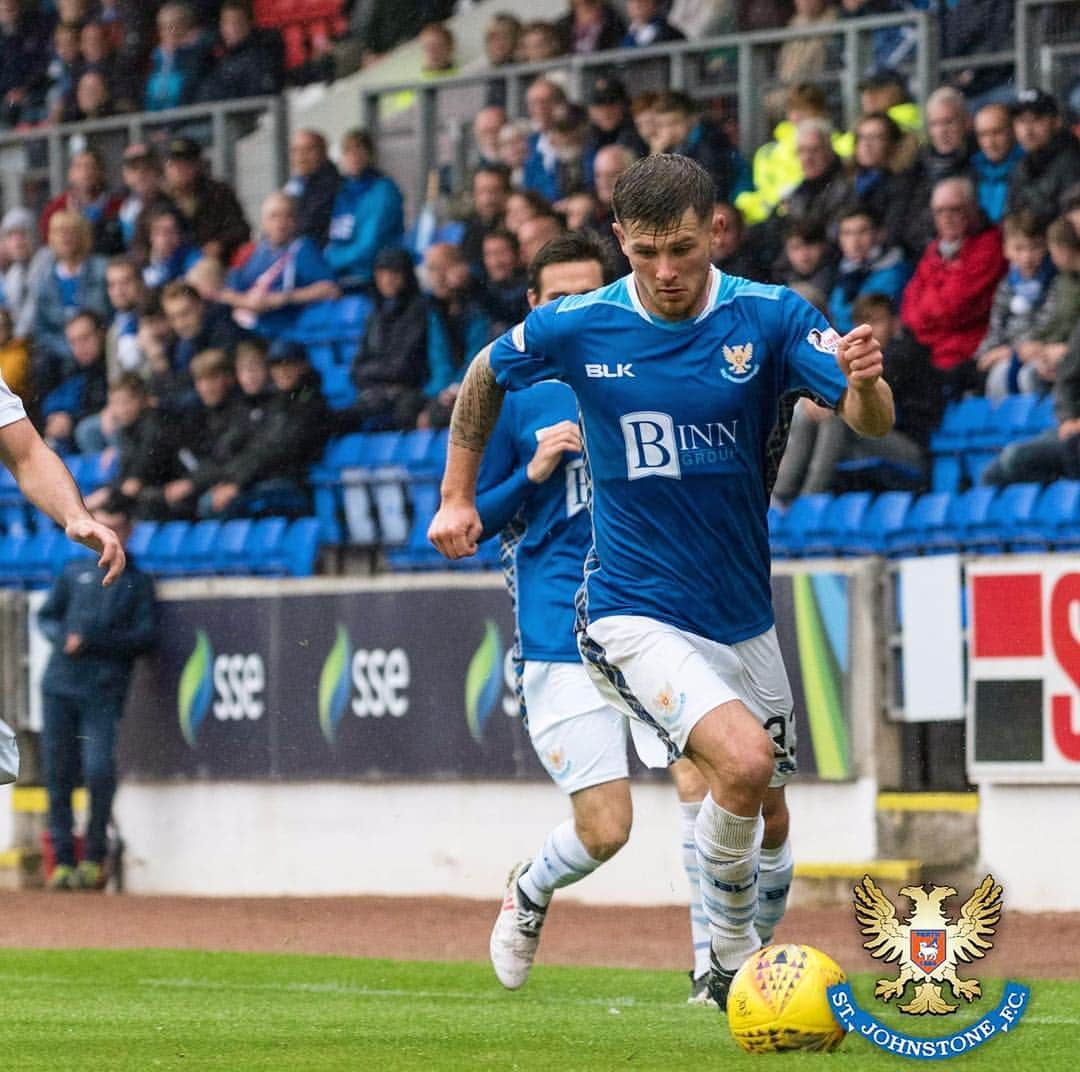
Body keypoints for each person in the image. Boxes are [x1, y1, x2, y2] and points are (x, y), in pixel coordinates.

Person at [427, 154, 893, 1011]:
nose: (666, 272)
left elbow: (867, 416)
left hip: (740, 614)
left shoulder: (771, 316)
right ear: (620, 242)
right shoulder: (579, 325)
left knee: (767, 810)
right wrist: (457, 495)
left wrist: (865, 383)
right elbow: (485, 373)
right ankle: (727, 961)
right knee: (734, 766)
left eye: (681, 248)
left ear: (715, 229)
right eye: (645, 253)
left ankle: (735, 951)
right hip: (627, 610)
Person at [477, 229, 720, 1003]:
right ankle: (531, 891)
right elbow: (468, 518)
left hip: (650, 606)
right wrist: (533, 469)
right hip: (558, 626)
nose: (576, 307)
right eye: (560, 297)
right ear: (534, 307)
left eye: (590, 291)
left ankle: (712, 967)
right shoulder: (510, 393)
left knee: (699, 774)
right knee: (606, 830)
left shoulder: (648, 366)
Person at [39, 498, 155, 891]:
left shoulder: (138, 581)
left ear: (128, 531)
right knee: (57, 775)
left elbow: (145, 637)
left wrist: (92, 641)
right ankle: (60, 862)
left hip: (103, 689)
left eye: (116, 526)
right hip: (59, 685)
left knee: (99, 772)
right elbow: (48, 616)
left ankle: (93, 856)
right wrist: (61, 639)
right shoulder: (74, 571)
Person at [900, 175, 1007, 398]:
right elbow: (909, 312)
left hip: (962, 354)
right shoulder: (934, 250)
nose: (946, 218)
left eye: (954, 210)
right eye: (939, 211)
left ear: (972, 209)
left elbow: (954, 308)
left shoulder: (989, 247)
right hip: (928, 350)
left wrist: (928, 310)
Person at [217, 192, 340, 336]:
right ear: (263, 221)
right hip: (248, 327)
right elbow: (227, 292)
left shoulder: (303, 249)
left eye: (287, 216)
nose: (281, 223)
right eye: (274, 216)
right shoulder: (253, 250)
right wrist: (248, 302)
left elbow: (331, 290)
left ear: (296, 220)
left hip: (286, 331)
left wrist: (283, 298)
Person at [338, 248, 429, 433]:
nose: (387, 280)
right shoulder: (375, 315)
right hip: (375, 393)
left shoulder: (420, 311)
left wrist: (373, 374)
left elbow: (404, 366)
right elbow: (356, 369)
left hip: (408, 394)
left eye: (394, 273)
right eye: (381, 274)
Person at [975, 210, 1057, 400]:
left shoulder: (1053, 282)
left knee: (1021, 377)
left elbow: (1046, 327)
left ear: (1046, 246)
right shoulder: (1006, 285)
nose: (1027, 257)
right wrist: (985, 355)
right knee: (987, 374)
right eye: (1019, 249)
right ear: (1006, 249)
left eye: (1034, 248)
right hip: (1007, 354)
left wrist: (1012, 352)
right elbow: (996, 327)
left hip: (1035, 353)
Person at [324, 129, 405, 290]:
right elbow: (335, 237)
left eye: (359, 150)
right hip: (341, 272)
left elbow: (369, 246)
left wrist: (331, 260)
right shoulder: (343, 191)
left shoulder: (383, 191)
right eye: (348, 151)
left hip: (371, 274)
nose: (354, 157)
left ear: (370, 155)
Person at [162, 137, 250, 266]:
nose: (179, 169)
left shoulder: (218, 193)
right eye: (174, 164)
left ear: (198, 165)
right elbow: (141, 240)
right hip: (169, 264)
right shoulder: (159, 199)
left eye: (186, 163)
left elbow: (240, 229)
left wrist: (219, 244)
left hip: (211, 265)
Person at [828, 206, 911, 334]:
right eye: (847, 233)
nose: (854, 241)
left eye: (862, 232)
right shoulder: (845, 271)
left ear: (880, 234)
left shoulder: (894, 273)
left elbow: (857, 319)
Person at [1005, 89, 1080, 224]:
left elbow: (1069, 225)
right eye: (1021, 121)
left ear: (1056, 122)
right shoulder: (1021, 165)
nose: (1028, 130)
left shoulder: (1072, 161)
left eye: (1036, 120)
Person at [285, 129, 341, 248]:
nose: (300, 157)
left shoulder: (330, 184)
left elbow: (308, 226)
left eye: (308, 150)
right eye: (295, 151)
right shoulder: (297, 182)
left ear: (324, 152)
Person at [971, 102, 1023, 224]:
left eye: (997, 132)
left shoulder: (1029, 168)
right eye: (983, 135)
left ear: (1012, 131)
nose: (990, 142)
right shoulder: (972, 171)